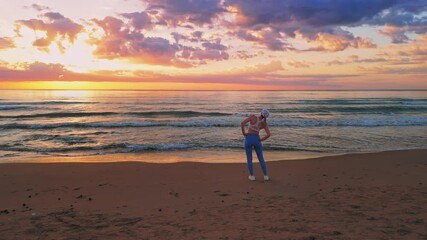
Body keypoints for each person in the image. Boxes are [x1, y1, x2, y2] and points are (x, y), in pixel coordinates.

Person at [240, 108, 271, 181]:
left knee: (249, 159)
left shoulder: (253, 117)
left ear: (261, 113)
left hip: (249, 139)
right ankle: (266, 176)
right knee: (261, 159)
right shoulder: (264, 123)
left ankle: (252, 176)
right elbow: (268, 134)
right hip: (257, 140)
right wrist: (261, 140)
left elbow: (242, 123)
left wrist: (244, 133)